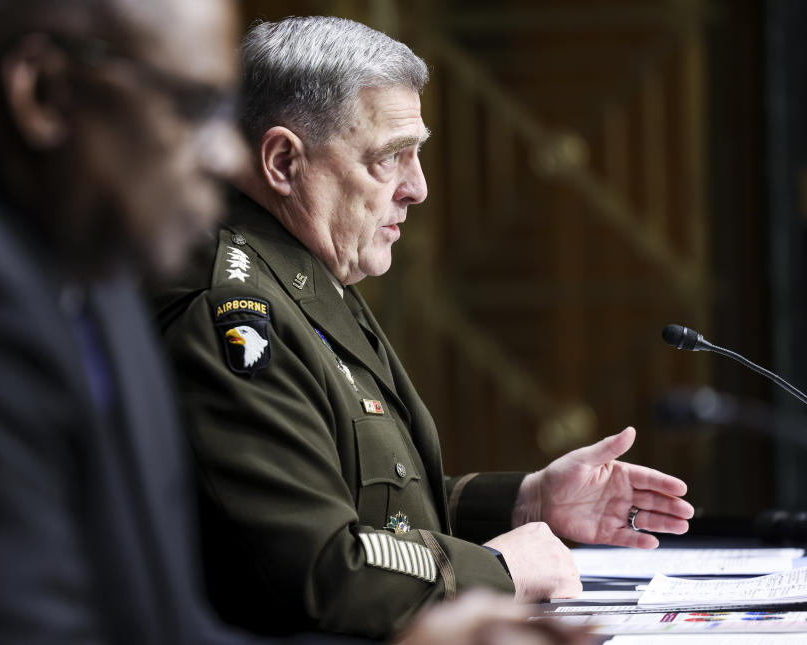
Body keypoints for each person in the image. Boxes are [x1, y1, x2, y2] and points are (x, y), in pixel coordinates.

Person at [0, 1, 588, 643]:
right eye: (196, 105)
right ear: (45, 91)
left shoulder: (87, 270)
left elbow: (165, 625)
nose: (225, 152)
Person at [150, 15, 695, 640]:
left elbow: (376, 505)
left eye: (419, 153)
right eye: (391, 157)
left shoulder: (304, 270)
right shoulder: (236, 312)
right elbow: (318, 567)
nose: (419, 188)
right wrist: (497, 569)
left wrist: (527, 501)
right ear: (282, 161)